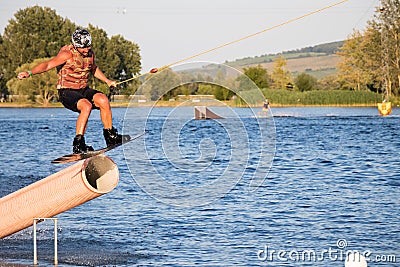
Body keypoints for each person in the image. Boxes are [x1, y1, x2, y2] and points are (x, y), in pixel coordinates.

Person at [17, 29, 130, 154]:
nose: (87, 50)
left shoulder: (90, 54)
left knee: (103, 99)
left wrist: (107, 81)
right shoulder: (67, 54)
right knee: (86, 106)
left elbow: (93, 69)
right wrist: (29, 73)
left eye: (88, 46)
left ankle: (110, 137)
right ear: (76, 46)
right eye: (84, 48)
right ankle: (78, 144)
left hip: (83, 89)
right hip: (67, 91)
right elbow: (47, 65)